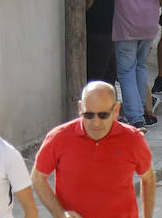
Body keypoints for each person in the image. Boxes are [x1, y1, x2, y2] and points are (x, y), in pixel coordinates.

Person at [32, 81, 155, 218]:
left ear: (116, 110)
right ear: (80, 108)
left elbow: (148, 178)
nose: (96, 122)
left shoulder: (133, 139)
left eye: (103, 115)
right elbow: (38, 177)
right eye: (89, 115)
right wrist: (60, 214)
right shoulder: (59, 137)